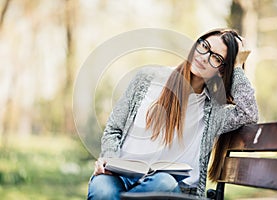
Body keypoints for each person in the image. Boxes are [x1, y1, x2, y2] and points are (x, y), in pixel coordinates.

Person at [87, 28, 258, 199]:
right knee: (103, 191)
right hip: (120, 177)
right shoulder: (147, 79)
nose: (204, 57)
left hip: (171, 187)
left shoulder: (214, 111)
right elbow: (113, 129)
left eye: (216, 58)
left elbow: (248, 113)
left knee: (164, 183)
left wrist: (237, 66)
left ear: (221, 70)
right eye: (204, 46)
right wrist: (109, 160)